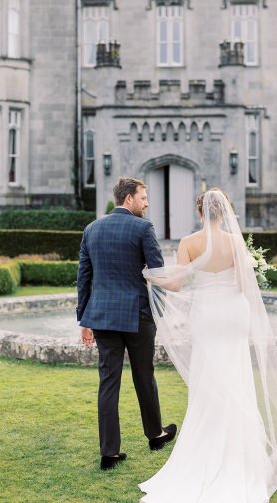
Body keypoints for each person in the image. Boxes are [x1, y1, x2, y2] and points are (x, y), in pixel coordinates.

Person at [139, 188, 277, 502]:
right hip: (233, 313)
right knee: (236, 373)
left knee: (208, 376)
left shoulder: (188, 243)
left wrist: (149, 275)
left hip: (208, 313)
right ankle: (241, 449)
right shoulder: (236, 242)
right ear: (223, 213)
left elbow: (176, 284)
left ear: (200, 213)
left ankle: (207, 441)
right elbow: (242, 283)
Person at [77, 176, 177, 471]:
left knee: (108, 381)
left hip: (103, 317)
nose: (147, 204)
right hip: (137, 315)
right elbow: (158, 274)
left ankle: (109, 452)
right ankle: (155, 434)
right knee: (144, 375)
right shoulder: (143, 228)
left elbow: (84, 279)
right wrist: (164, 306)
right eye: (144, 198)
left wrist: (84, 320)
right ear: (129, 199)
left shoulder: (91, 229)